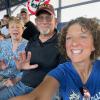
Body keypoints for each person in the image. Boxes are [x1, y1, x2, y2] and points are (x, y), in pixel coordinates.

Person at [10, 17, 100, 100]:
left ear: (94, 44)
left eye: (82, 37)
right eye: (69, 38)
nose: (74, 43)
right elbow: (37, 96)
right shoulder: (62, 71)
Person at [0, 4, 66, 100]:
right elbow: (23, 67)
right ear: (36, 22)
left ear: (55, 21)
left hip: (46, 89)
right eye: (40, 18)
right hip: (22, 85)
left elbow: (64, 74)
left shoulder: (62, 43)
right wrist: (20, 69)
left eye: (48, 18)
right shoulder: (32, 40)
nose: (44, 21)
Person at [0, 17, 28, 99]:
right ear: (8, 30)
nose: (15, 29)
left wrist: (15, 80)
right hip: (2, 75)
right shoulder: (3, 43)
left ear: (23, 29)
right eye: (12, 27)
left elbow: (29, 70)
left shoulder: (28, 45)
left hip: (17, 80)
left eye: (18, 27)